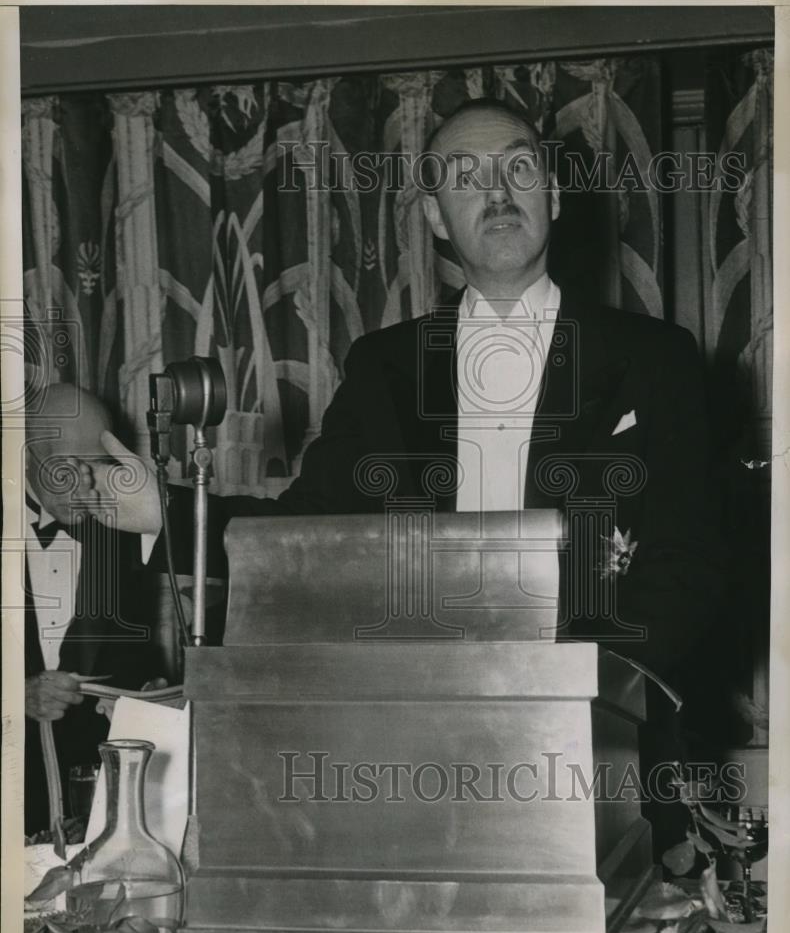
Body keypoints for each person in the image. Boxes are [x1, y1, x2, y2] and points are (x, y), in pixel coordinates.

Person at [82, 98, 727, 684]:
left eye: (519, 170)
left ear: (554, 195)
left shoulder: (656, 358)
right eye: (466, 176)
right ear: (434, 218)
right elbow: (304, 533)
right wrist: (164, 511)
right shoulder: (385, 368)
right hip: (422, 731)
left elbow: (688, 563)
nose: (498, 193)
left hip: (607, 737)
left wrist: (589, 684)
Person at [23, 383, 164, 836]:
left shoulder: (123, 526)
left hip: (97, 804)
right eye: (66, 468)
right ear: (27, 456)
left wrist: (152, 693)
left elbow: (131, 653)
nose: (85, 484)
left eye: (96, 467)